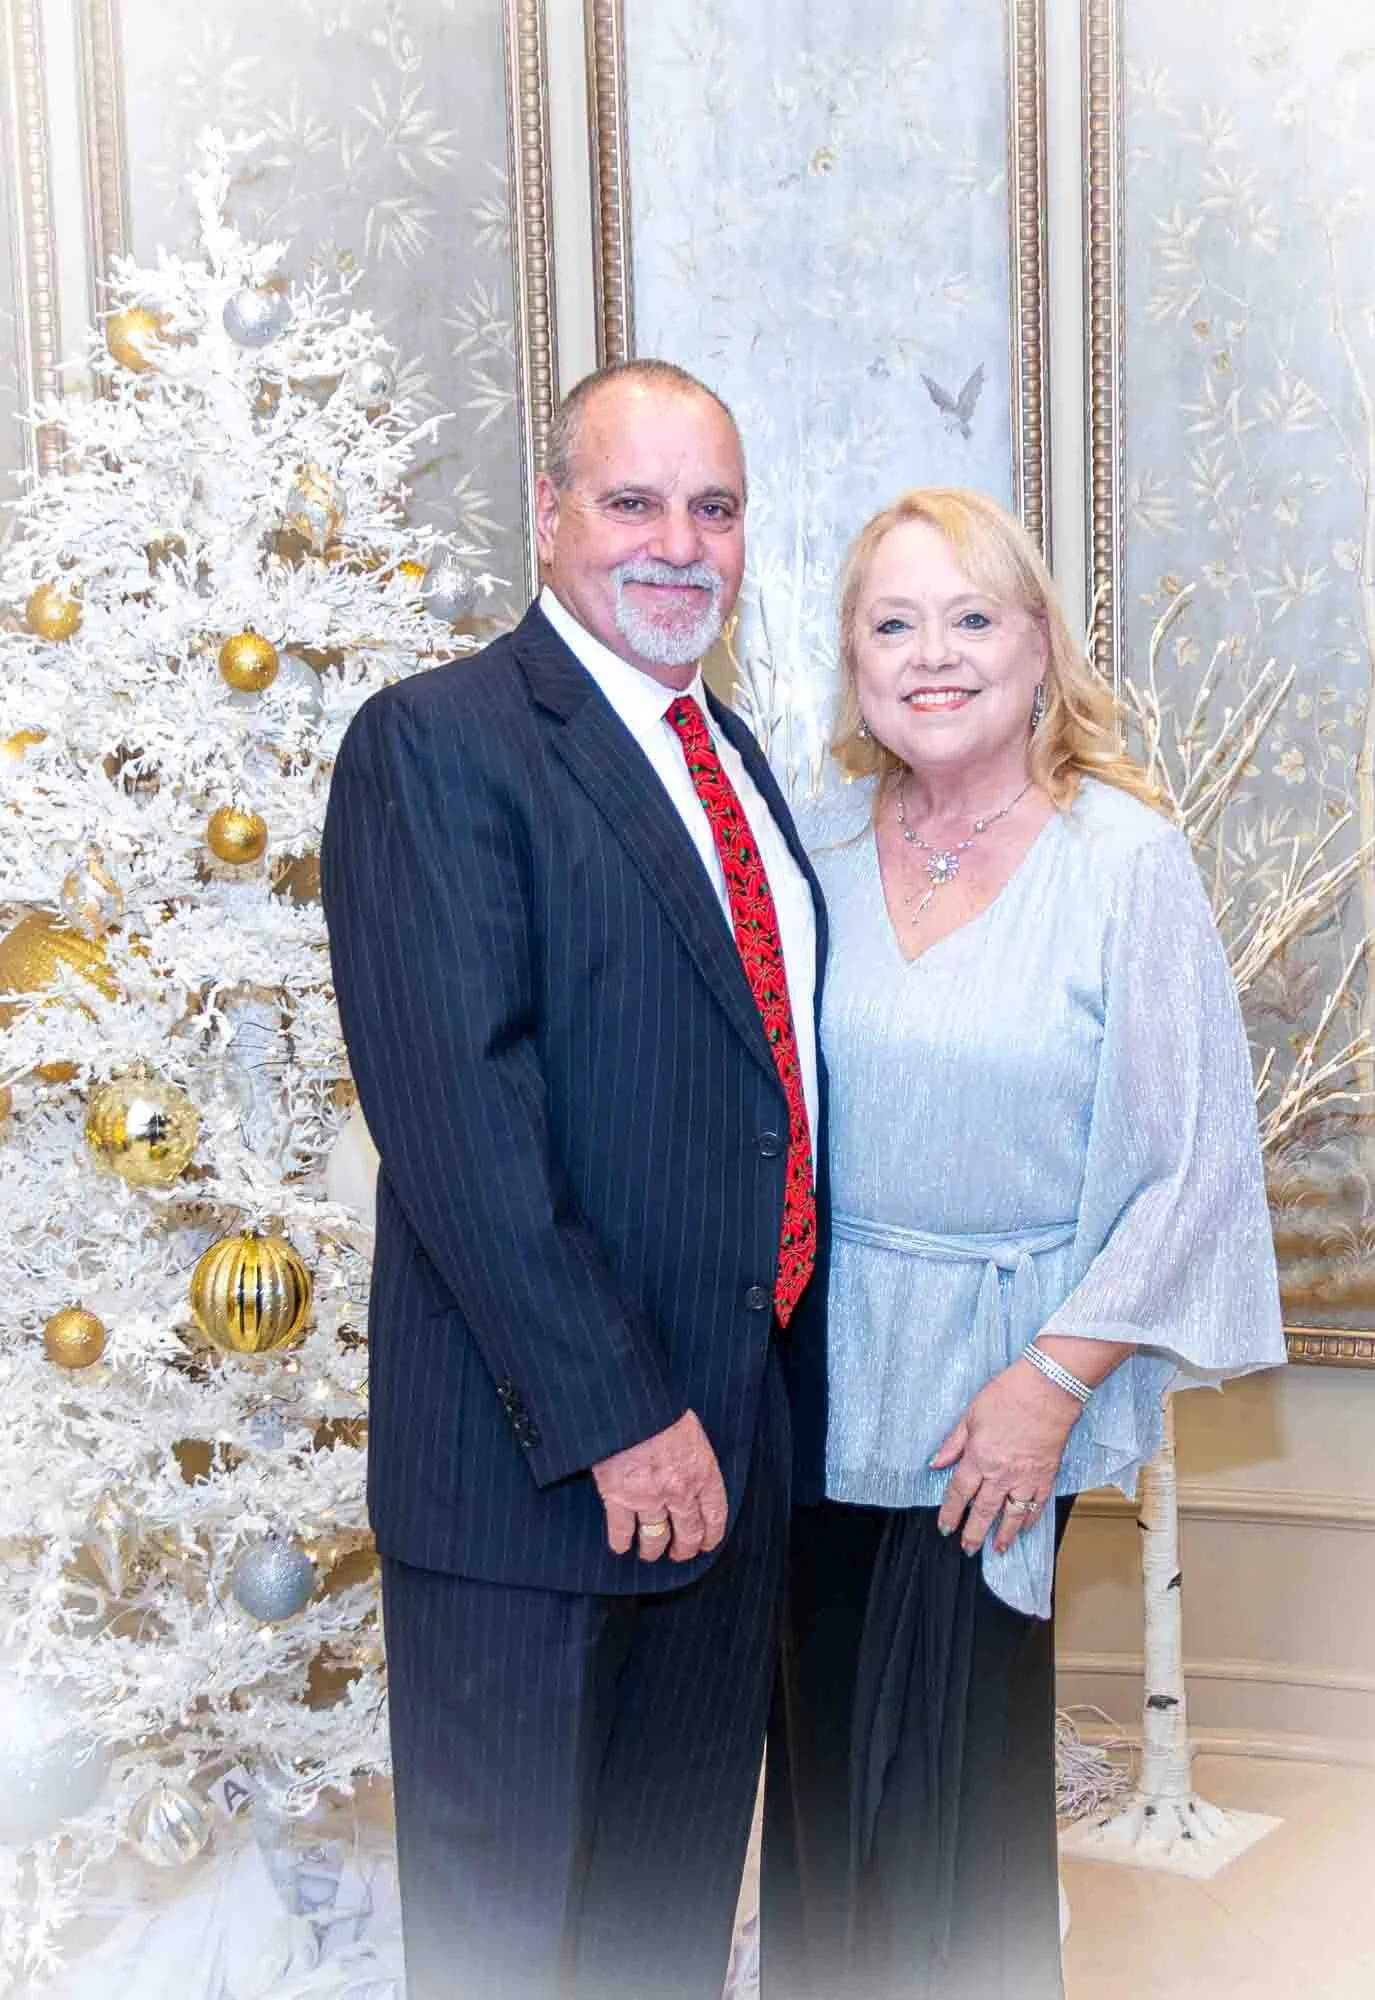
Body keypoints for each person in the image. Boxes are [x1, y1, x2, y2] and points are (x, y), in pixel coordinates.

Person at [322, 359, 829, 2000]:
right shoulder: (439, 744)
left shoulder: (730, 753)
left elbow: (762, 1091)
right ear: (548, 519)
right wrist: (621, 1414)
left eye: (715, 508)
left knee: (660, 1939)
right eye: (633, 502)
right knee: (510, 1951)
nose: (678, 543)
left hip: (734, 1461)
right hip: (541, 1478)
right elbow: (462, 1117)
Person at [759, 488, 1285, 2000]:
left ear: (1040, 644)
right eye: (894, 622)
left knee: (946, 1805)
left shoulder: (1124, 863)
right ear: (853, 661)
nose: (935, 656)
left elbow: (1192, 1168)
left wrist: (1053, 1378)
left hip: (994, 1393)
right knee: (817, 1802)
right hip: (803, 1389)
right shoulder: (807, 852)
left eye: (972, 617)